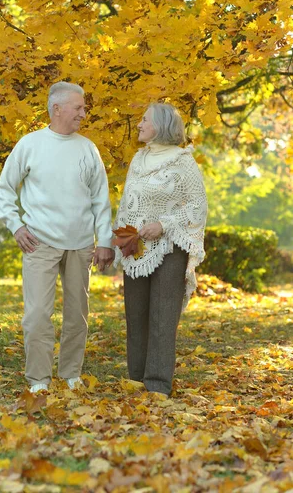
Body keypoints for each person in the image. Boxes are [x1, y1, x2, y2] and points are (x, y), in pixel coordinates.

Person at [0, 82, 114, 393]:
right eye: (78, 108)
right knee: (36, 315)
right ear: (56, 109)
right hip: (39, 241)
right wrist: (16, 226)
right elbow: (5, 188)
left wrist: (104, 241)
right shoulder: (30, 144)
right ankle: (38, 379)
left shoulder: (88, 148)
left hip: (80, 244)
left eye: (84, 108)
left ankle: (71, 373)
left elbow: (100, 199)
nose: (83, 113)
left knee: (78, 314)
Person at [113, 103, 207, 396]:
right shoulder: (138, 160)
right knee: (136, 315)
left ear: (161, 125)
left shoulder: (183, 162)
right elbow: (127, 205)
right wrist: (119, 242)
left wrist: (163, 225)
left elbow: (197, 206)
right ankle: (136, 381)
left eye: (144, 120)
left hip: (169, 248)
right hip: (137, 248)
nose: (139, 124)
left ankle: (157, 387)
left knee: (162, 318)